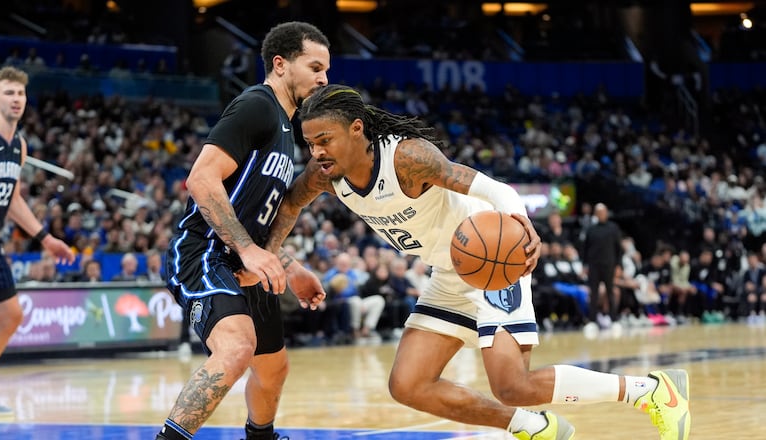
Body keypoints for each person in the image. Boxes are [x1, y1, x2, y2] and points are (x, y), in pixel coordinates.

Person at [264, 84, 691, 440]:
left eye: (325, 140)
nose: (316, 151)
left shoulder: (408, 158)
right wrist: (272, 257)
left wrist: (522, 228)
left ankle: (651, 391)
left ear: (357, 129)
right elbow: (288, 208)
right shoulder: (326, 176)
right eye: (310, 143)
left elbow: (497, 190)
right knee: (408, 385)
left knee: (512, 384)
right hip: (449, 271)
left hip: (492, 259)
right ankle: (532, 427)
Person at [156, 22, 329, 440]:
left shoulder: (288, 130)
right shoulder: (256, 105)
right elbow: (200, 180)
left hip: (242, 255)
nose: (324, 79)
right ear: (281, 64)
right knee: (236, 349)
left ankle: (260, 438)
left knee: (273, 367)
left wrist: (288, 264)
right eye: (316, 67)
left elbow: (268, 211)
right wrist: (250, 251)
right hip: (204, 252)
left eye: (326, 70)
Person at [0, 66, 75, 415]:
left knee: (10, 315)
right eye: (8, 92)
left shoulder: (18, 145)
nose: (16, 99)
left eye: (20, 93)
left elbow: (13, 199)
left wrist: (46, 238)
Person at [583, 203, 623, 331]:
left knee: (610, 292)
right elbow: (585, 249)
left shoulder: (613, 228)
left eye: (603, 212)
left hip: (609, 265)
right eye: (598, 212)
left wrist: (618, 265)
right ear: (595, 214)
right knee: (593, 294)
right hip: (594, 266)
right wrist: (585, 265)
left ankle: (614, 319)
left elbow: (619, 249)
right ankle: (592, 320)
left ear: (606, 213)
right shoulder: (591, 229)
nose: (601, 214)